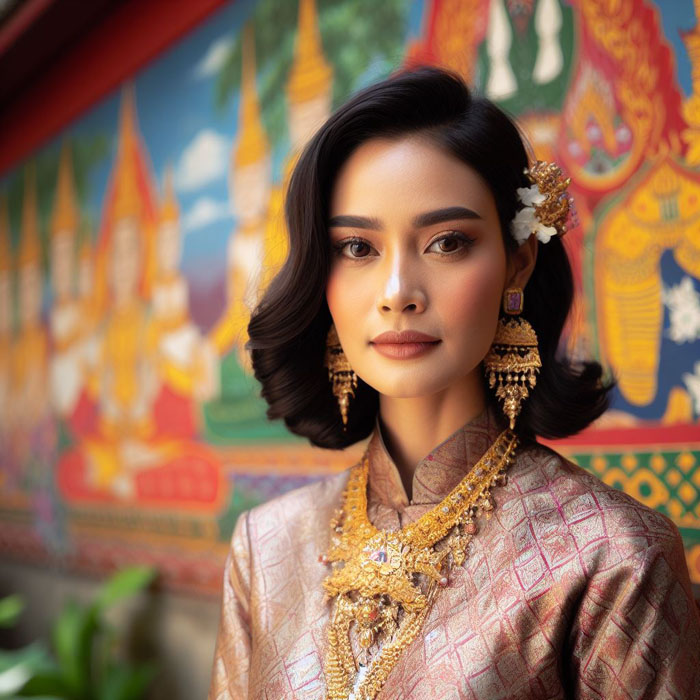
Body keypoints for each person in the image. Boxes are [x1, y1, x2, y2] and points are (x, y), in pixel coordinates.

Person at [208, 66, 700, 700]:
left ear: (517, 260)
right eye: (357, 248)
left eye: (446, 242)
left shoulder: (612, 561)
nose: (397, 294)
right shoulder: (267, 547)